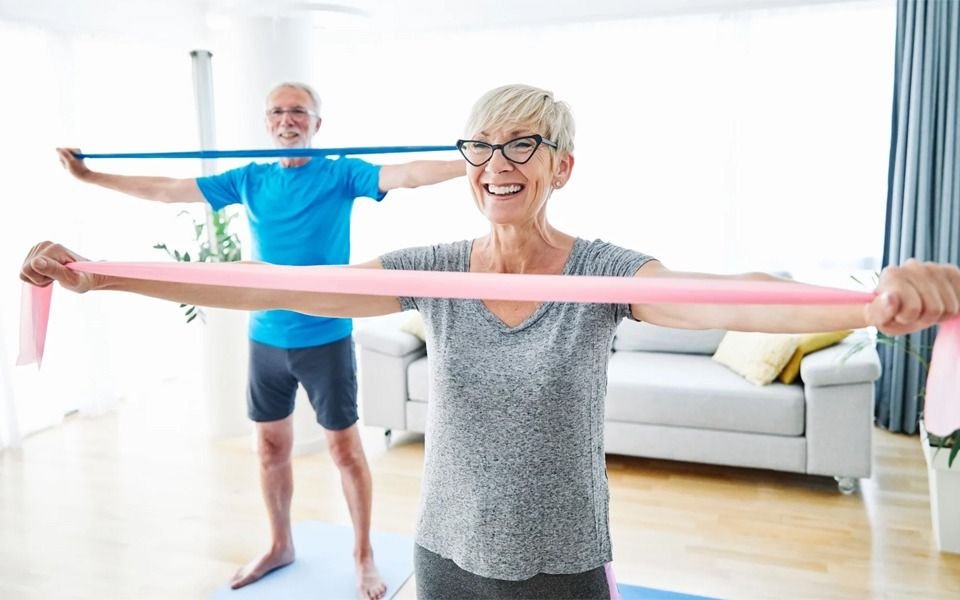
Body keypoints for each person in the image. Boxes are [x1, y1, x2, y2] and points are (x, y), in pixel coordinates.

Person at [27, 84, 960, 599]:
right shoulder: (433, 265)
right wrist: (102, 275)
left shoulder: (600, 271)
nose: (499, 163)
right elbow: (281, 285)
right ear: (466, 167)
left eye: (524, 145)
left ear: (562, 165)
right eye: (482, 147)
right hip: (443, 555)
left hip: (563, 559)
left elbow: (738, 302)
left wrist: (871, 300)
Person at [55, 81, 464, 598]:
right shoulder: (249, 179)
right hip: (266, 336)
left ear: (317, 123)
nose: (287, 120)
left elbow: (407, 175)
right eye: (277, 112)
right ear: (266, 122)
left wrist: (475, 163)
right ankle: (280, 544)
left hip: (325, 336)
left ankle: (363, 554)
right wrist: (90, 176)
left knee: (345, 451)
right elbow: (168, 190)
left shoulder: (341, 172)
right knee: (270, 449)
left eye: (298, 111)